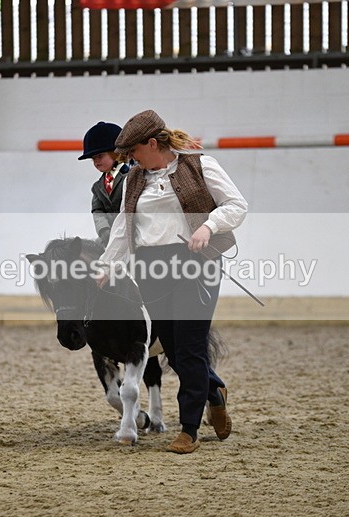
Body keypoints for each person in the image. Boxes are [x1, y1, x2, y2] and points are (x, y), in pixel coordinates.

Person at [98, 110, 248, 454]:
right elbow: (123, 227)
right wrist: (107, 265)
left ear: (152, 143)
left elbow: (236, 204)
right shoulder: (135, 180)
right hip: (151, 269)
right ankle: (214, 391)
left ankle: (190, 430)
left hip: (196, 263)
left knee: (191, 348)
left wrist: (208, 226)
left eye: (134, 151)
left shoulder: (200, 165)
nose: (131, 159)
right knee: (174, 352)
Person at [78, 121, 129, 246]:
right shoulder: (97, 187)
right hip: (110, 238)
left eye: (100, 156)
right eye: (93, 158)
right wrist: (104, 230)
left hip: (133, 235)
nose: (96, 162)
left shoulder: (131, 176)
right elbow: (97, 210)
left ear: (115, 153)